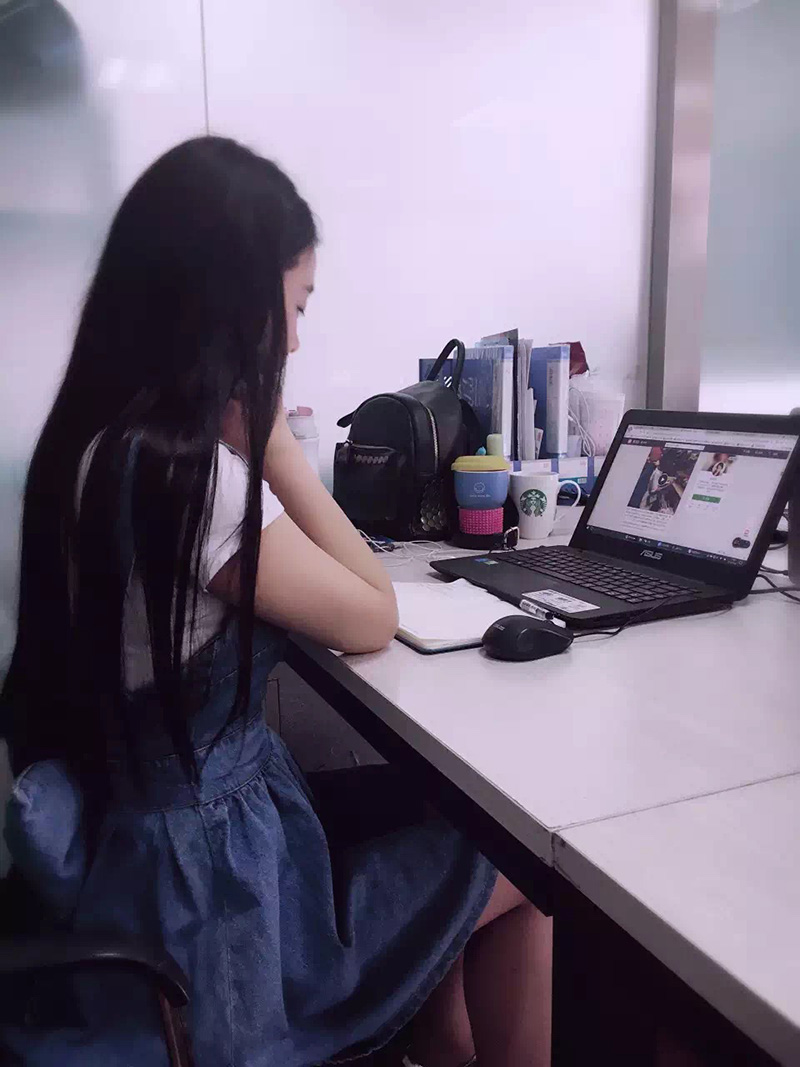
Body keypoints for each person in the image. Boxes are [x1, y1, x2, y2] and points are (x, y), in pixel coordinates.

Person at [1, 137, 552, 1067]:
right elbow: (374, 611)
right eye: (293, 307)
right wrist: (277, 448)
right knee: (515, 862)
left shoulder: (96, 447)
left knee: (435, 840)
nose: (294, 341)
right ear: (227, 305)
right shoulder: (189, 482)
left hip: (145, 854)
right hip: (219, 903)